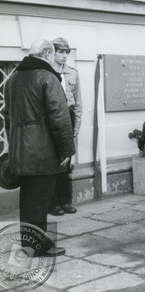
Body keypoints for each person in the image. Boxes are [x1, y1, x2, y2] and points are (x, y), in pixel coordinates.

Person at [4, 39, 76, 256]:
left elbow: (7, 116)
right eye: (52, 54)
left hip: (21, 149)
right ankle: (34, 247)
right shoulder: (47, 77)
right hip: (42, 151)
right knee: (39, 200)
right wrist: (66, 151)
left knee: (28, 199)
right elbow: (60, 117)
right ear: (46, 53)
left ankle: (29, 244)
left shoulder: (12, 78)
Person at [47, 37, 82, 216]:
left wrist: (76, 126)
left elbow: (78, 103)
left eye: (66, 52)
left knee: (66, 163)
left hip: (67, 117)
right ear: (52, 53)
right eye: (60, 52)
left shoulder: (72, 73)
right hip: (52, 118)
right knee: (53, 161)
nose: (63, 55)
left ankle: (65, 201)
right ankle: (52, 203)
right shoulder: (46, 72)